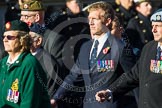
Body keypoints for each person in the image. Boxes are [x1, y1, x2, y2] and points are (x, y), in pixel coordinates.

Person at [51, 2, 125, 108]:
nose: (90, 23)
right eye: (89, 19)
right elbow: (73, 77)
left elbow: (131, 78)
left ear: (107, 21)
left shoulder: (119, 47)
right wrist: (56, 98)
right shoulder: (86, 47)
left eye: (95, 19)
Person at [95, 8, 162, 108]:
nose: (153, 30)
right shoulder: (149, 48)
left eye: (158, 26)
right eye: (152, 26)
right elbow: (133, 75)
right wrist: (110, 91)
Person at [0, 20, 51, 108]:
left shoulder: (30, 65)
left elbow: (30, 103)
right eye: (3, 36)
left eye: (9, 37)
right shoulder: (3, 63)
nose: (5, 40)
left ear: (22, 39)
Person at [29, 23, 60, 98]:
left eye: (28, 38)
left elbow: (49, 94)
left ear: (38, 41)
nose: (22, 41)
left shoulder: (49, 64)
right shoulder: (21, 57)